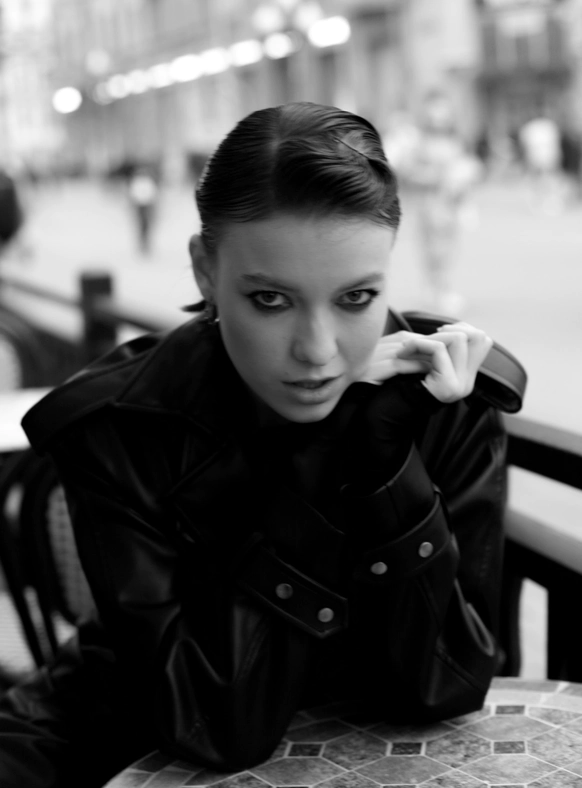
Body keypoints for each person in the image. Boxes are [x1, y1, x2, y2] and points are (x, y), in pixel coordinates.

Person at [1, 102, 523, 788]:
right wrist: (325, 447)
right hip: (118, 742)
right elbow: (214, 725)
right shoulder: (122, 428)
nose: (317, 351)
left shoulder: (444, 400)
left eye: (356, 297)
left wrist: (385, 463)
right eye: (271, 300)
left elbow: (446, 687)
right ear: (204, 271)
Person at [394, 91, 482, 315]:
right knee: (434, 248)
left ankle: (439, 287)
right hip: (429, 203)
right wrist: (436, 176)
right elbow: (408, 172)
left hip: (452, 203)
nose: (440, 115)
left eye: (444, 109)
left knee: (449, 247)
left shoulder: (456, 140)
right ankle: (438, 289)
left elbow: (468, 166)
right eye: (435, 109)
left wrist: (465, 179)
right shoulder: (418, 141)